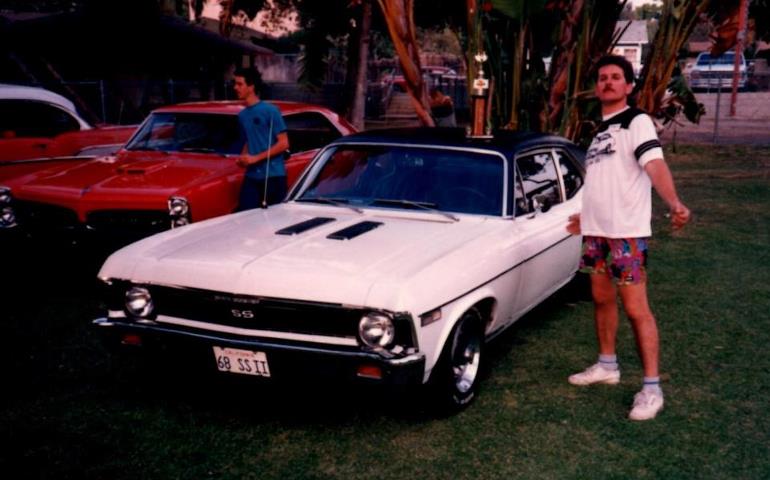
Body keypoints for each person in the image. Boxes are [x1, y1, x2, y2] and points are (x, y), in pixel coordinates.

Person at [565, 55, 691, 421]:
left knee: (637, 310)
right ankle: (607, 366)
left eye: (615, 77)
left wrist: (674, 202)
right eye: (602, 77)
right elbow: (604, 181)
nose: (607, 82)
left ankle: (652, 388)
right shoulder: (600, 129)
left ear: (629, 86)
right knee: (602, 301)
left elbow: (653, 164)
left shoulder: (637, 122)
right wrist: (585, 217)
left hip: (626, 236)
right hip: (597, 234)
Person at [232, 67, 290, 210]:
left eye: (240, 84)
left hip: (273, 176)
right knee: (245, 216)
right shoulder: (242, 115)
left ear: (251, 86)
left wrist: (255, 158)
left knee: (273, 221)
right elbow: (249, 140)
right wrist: (243, 158)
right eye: (235, 84)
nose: (235, 88)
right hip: (252, 176)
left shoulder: (270, 111)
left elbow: (284, 143)